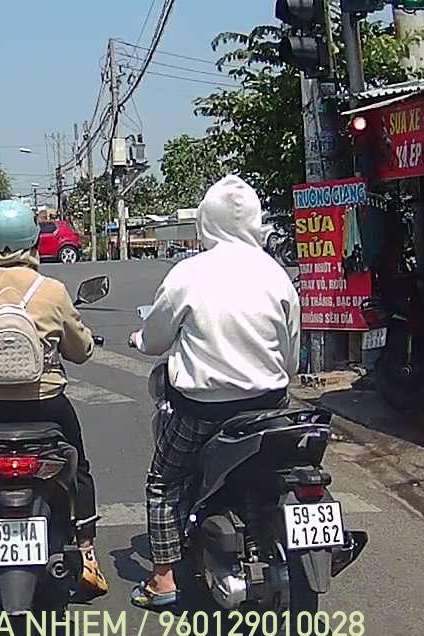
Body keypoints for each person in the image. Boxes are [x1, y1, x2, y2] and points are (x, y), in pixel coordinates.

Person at [127, 175, 301, 609]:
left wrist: (139, 340)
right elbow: (291, 359)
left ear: (206, 221)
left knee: (164, 483)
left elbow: (155, 340)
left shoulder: (188, 274)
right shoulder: (277, 275)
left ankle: (163, 580)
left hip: (201, 411)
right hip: (270, 408)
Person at [0, 199, 108, 600]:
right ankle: (87, 557)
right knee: (80, 470)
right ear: (33, 241)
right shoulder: (52, 291)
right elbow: (81, 351)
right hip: (47, 406)